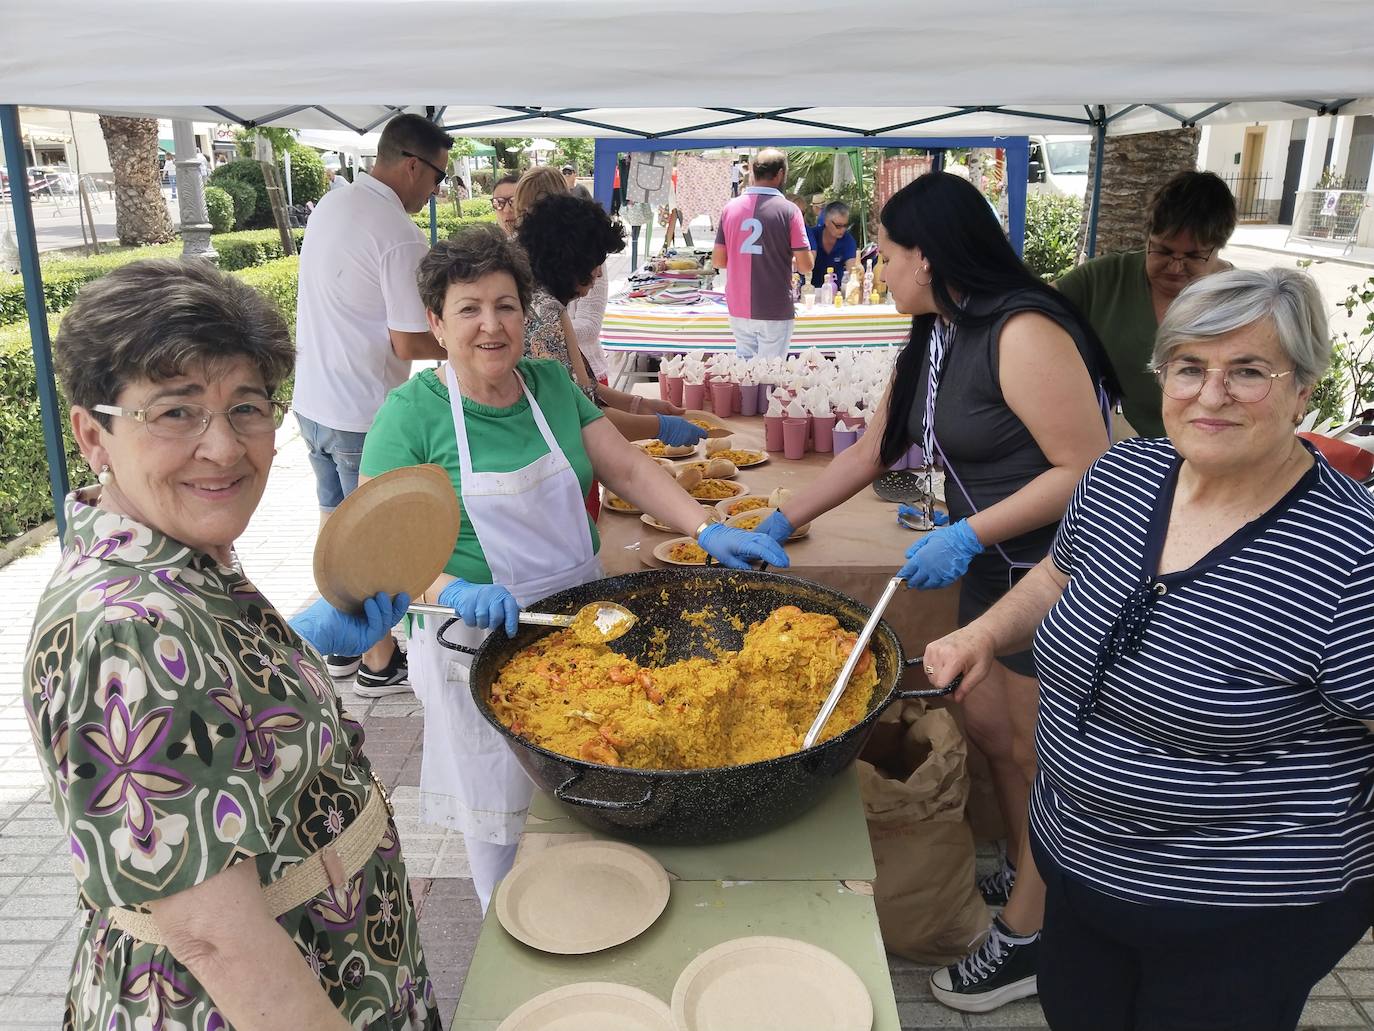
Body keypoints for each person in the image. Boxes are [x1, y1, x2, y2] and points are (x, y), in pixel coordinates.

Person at [922, 267, 1374, 1031]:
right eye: (1189, 366)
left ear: (1305, 389)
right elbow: (1060, 576)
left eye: (1249, 371)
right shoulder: (1123, 475)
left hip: (1239, 912)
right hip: (1078, 859)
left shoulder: (1350, 554)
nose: (1209, 393)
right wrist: (984, 631)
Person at [27, 259, 436, 1031]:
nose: (223, 447)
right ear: (93, 434)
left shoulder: (171, 551)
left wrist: (298, 647)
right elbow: (216, 936)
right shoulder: (127, 628)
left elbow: (212, 724)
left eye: (246, 407)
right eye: (176, 412)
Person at [757, 171, 1118, 1014]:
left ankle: (1034, 933)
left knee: (1032, 749)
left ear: (928, 254)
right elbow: (873, 451)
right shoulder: (938, 330)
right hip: (996, 561)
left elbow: (1089, 467)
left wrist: (967, 533)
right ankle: (1035, 862)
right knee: (993, 729)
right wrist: (778, 522)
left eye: (884, 252)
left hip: (1053, 570)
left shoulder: (1021, 329)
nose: (875, 266)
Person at [359, 225, 789, 909]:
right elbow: (379, 553)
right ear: (437, 323)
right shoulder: (408, 418)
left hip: (588, 631)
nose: (492, 325)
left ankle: (603, 907)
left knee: (601, 780)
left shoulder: (550, 384)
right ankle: (516, 928)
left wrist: (706, 527)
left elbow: (624, 466)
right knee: (501, 817)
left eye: (505, 305)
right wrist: (451, 589)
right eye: (469, 308)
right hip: (477, 646)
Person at [292, 113, 452, 694]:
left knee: (335, 526)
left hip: (312, 400)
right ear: (412, 165)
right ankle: (378, 662)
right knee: (374, 540)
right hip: (362, 409)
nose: (437, 190)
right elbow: (409, 339)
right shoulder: (397, 231)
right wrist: (474, 341)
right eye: (438, 177)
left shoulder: (333, 203)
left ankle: (338, 651)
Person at [512, 174, 704, 448]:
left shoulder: (543, 302)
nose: (600, 272)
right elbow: (580, 414)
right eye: (596, 262)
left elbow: (580, 390)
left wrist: (639, 405)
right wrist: (659, 426)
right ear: (569, 261)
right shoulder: (544, 316)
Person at [1057, 170, 1237, 439]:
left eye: (1193, 256)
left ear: (1218, 246)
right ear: (1148, 236)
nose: (1175, 267)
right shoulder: (1105, 278)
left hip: (1205, 458)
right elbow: (1030, 308)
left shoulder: (1241, 300)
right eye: (1162, 250)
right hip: (1110, 453)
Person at [712, 149, 815, 359]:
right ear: (780, 175)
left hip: (738, 306)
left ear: (752, 172)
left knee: (746, 376)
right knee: (770, 376)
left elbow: (718, 260)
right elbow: (806, 266)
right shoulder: (790, 210)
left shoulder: (730, 208)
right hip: (774, 307)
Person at [807, 200, 859, 289]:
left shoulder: (848, 240)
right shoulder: (812, 235)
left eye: (845, 225)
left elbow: (852, 270)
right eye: (838, 226)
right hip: (810, 290)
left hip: (836, 292)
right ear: (826, 221)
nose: (843, 230)